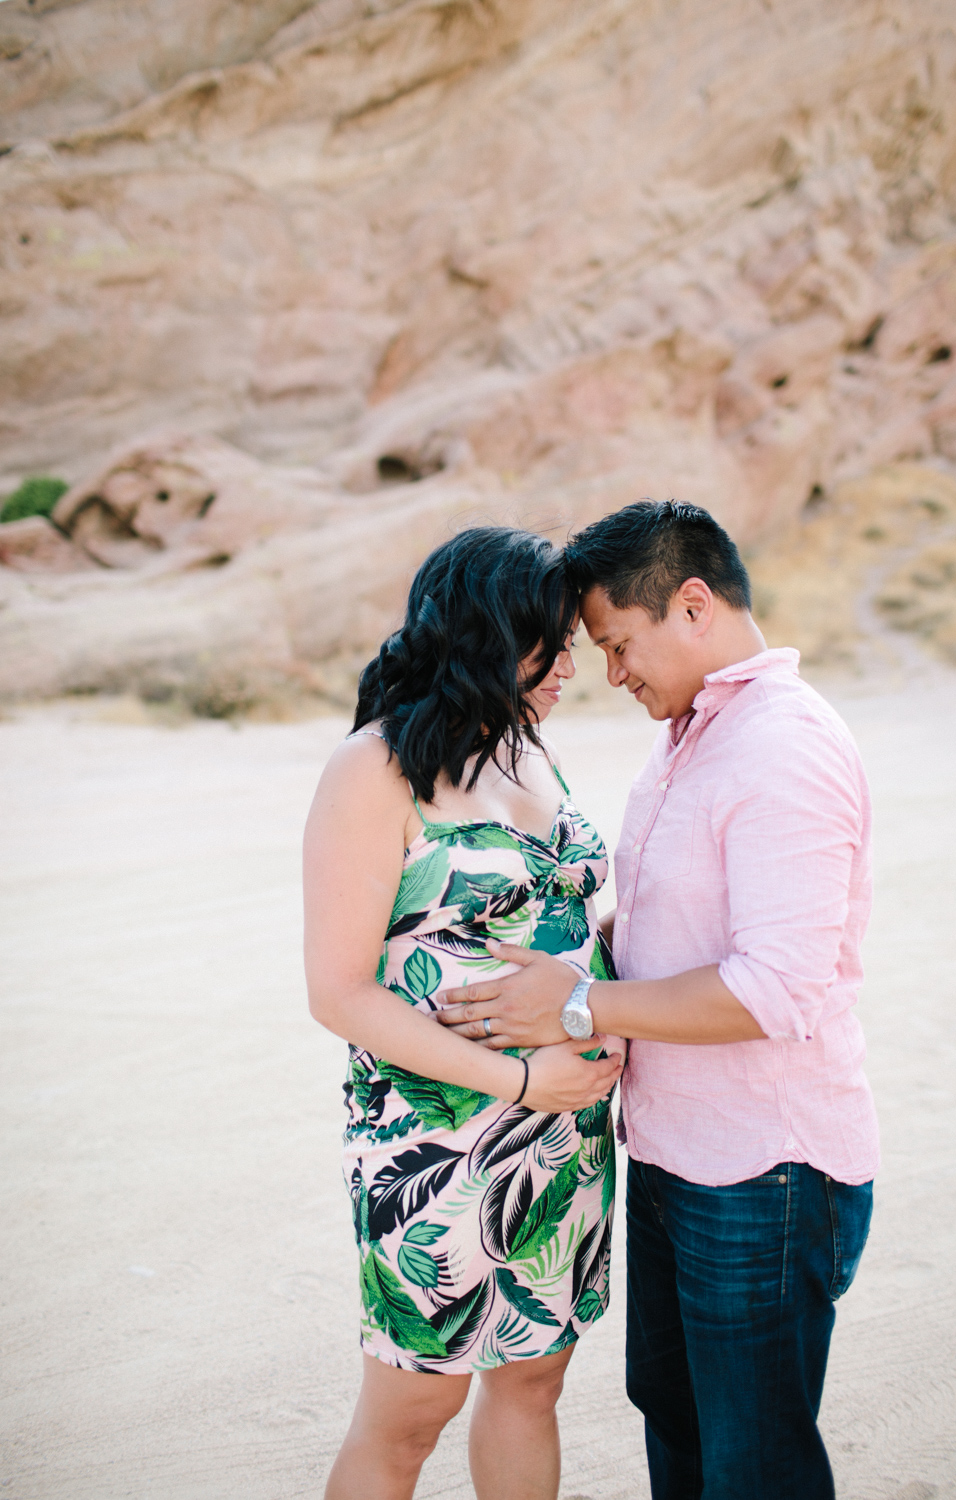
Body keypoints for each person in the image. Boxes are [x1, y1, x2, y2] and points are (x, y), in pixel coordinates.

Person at [436, 500, 879, 1500]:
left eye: (617, 643)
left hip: (764, 1171)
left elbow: (774, 988)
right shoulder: (692, 736)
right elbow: (666, 924)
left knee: (750, 1459)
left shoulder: (782, 747)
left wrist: (582, 1004)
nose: (611, 672)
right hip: (677, 1154)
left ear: (691, 606)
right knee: (678, 1425)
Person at [303, 526, 624, 1500]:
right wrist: (524, 1076)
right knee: (410, 1418)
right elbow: (338, 992)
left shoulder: (532, 750)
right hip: (433, 1150)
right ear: (489, 636)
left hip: (565, 1142)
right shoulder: (374, 768)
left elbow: (571, 911)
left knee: (532, 1383)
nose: (573, 663)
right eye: (552, 641)